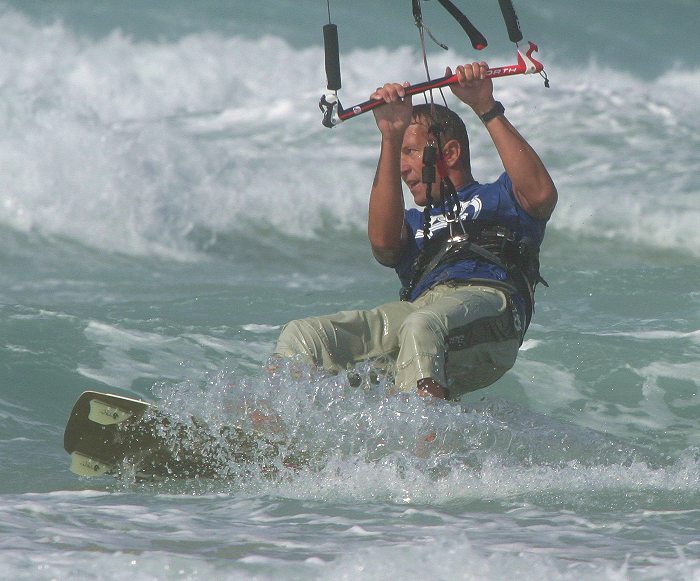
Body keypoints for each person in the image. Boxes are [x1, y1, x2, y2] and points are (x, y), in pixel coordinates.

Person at [273, 62, 557, 400]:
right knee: (304, 335)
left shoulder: (500, 196)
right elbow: (383, 245)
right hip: (421, 310)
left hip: (492, 309)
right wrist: (391, 137)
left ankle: (426, 445)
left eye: (409, 152)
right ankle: (269, 432)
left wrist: (485, 106)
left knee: (422, 326)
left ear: (449, 153)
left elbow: (541, 194)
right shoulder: (411, 223)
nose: (403, 168)